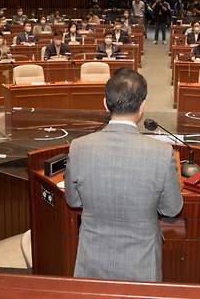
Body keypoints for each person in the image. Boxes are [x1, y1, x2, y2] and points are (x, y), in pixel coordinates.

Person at [64, 68, 182, 282]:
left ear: (105, 103)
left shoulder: (78, 147)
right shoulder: (162, 154)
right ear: (142, 106)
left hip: (92, 262)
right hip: (141, 265)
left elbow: (73, 200)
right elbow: (172, 209)